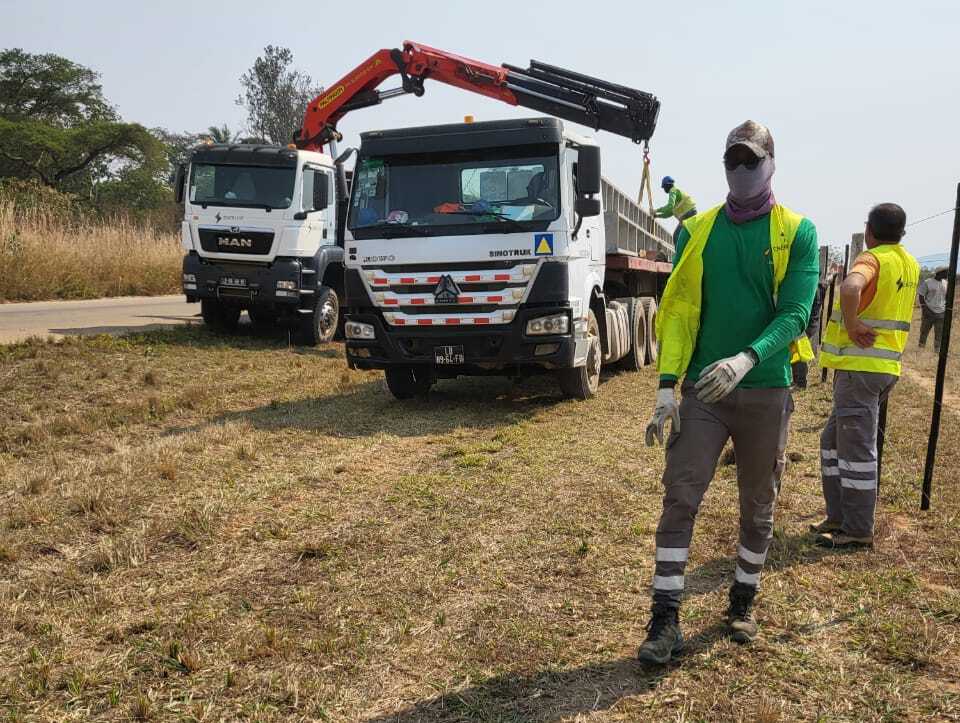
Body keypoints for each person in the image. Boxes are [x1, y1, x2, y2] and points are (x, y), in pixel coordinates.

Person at [639, 121, 819, 664]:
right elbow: (678, 313)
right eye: (732, 162)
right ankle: (664, 618)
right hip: (703, 392)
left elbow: (795, 314)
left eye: (751, 160)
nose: (741, 171)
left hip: (764, 388)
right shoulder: (694, 232)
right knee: (680, 496)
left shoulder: (797, 232)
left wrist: (747, 358)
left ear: (770, 163)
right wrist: (668, 388)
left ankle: (743, 600)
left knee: (758, 503)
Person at [814, 204, 920, 549]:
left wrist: (851, 323)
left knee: (856, 451)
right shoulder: (909, 263)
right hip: (884, 369)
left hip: (861, 369)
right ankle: (837, 516)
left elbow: (849, 288)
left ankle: (858, 530)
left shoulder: (872, 259)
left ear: (869, 231)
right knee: (832, 442)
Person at [792, 278, 827, 389]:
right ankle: (798, 381)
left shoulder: (812, 287)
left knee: (800, 353)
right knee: (797, 352)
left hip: (806, 325)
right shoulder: (816, 286)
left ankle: (800, 383)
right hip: (809, 324)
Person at [655, 176, 697, 245]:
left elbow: (670, 206)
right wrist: (657, 215)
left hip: (688, 214)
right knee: (684, 237)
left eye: (664, 187)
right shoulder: (676, 197)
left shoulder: (673, 191)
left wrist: (656, 210)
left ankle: (679, 254)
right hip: (690, 213)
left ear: (668, 185)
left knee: (676, 236)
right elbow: (668, 213)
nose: (664, 189)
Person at [918, 266, 948, 351]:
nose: (947, 274)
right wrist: (924, 309)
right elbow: (921, 295)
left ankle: (937, 350)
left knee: (939, 332)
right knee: (924, 331)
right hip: (929, 311)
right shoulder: (928, 282)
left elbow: (946, 297)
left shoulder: (946, 283)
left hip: (941, 312)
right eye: (945, 272)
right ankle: (921, 348)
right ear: (939, 273)